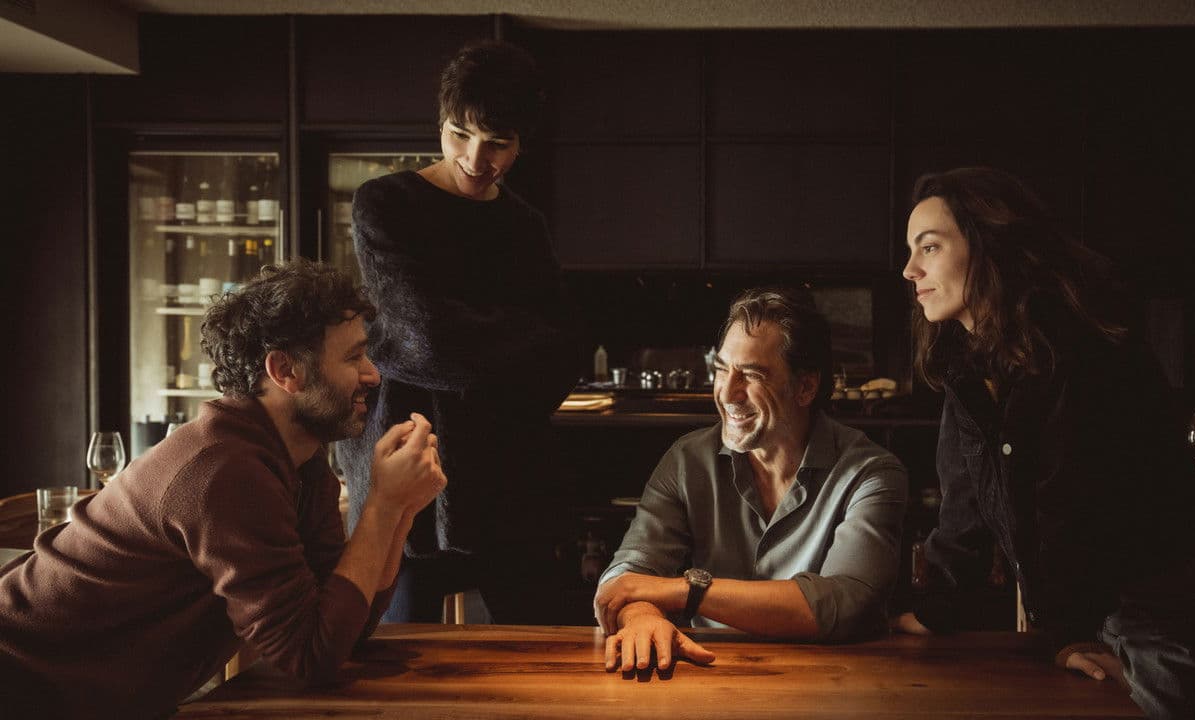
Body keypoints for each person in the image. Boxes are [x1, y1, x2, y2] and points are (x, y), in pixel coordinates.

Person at [0, 260, 446, 719]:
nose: (373, 374)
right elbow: (309, 656)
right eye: (353, 358)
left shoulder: (302, 464)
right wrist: (382, 505)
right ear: (285, 370)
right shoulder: (226, 470)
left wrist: (400, 510)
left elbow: (344, 629)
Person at [893, 167, 1195, 719]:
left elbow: (1088, 512)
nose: (910, 269)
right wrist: (933, 611)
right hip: (1091, 609)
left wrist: (1069, 633)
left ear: (989, 246)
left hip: (1164, 608)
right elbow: (964, 507)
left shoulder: (1082, 347)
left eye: (929, 247)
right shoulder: (966, 361)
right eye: (911, 250)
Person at [334, 40, 580, 625]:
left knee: (541, 647)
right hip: (407, 456)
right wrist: (513, 340)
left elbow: (562, 356)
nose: (475, 157)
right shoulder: (386, 203)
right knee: (393, 651)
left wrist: (447, 339)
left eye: (497, 143)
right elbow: (427, 339)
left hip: (505, 477)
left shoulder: (524, 225)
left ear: (521, 143)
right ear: (440, 125)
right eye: (459, 134)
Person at [594, 287, 908, 672]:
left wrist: (689, 592)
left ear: (806, 387)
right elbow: (626, 579)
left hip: (834, 682)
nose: (727, 392)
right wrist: (643, 616)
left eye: (752, 375)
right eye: (722, 369)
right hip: (711, 673)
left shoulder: (871, 473)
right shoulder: (687, 460)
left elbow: (847, 604)